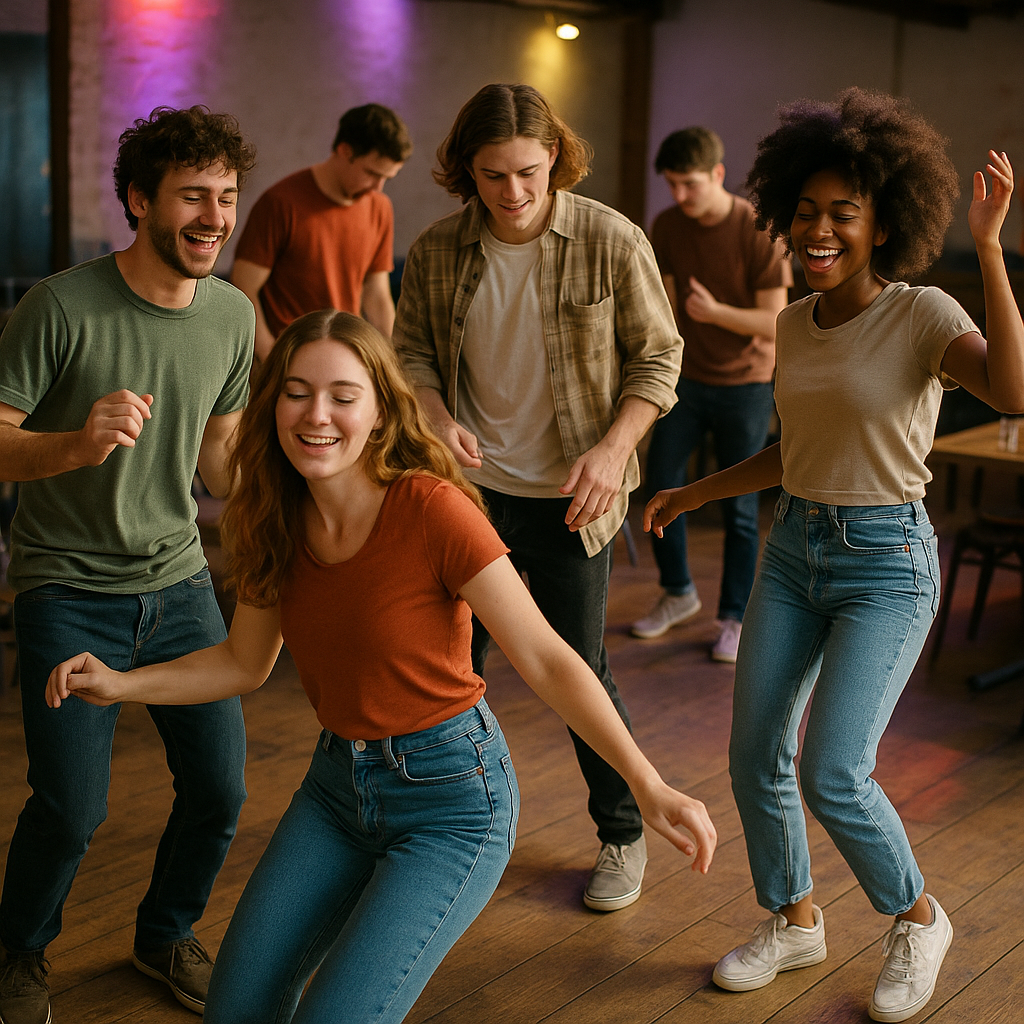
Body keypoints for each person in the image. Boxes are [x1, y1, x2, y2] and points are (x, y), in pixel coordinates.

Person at [45, 309, 717, 1024]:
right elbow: (243, 664)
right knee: (235, 1011)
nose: (316, 414)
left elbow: (550, 659)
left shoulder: (432, 510)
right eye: (297, 392)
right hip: (337, 789)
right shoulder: (272, 517)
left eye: (343, 394)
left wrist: (647, 786)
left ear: (379, 410)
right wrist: (121, 684)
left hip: (453, 802)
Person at [645, 88, 1024, 1022]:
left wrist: (987, 247)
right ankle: (795, 918)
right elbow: (795, 450)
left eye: (841, 214)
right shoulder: (793, 323)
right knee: (753, 756)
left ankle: (918, 915)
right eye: (804, 212)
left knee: (832, 770)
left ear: (882, 222)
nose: (818, 231)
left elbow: (1013, 390)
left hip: (887, 564)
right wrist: (693, 491)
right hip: (794, 549)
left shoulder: (924, 313)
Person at [393, 83, 683, 913]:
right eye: (491, 176)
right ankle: (445, 833)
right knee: (450, 669)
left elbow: (658, 361)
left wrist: (613, 447)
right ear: (466, 173)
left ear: (554, 154)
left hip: (570, 498)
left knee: (576, 668)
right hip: (467, 496)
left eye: (527, 171)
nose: (512, 194)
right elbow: (408, 350)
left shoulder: (610, 239)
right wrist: (437, 416)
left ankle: (622, 835)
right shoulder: (440, 249)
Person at [0, 106, 257, 1024]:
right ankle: (19, 953)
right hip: (67, 589)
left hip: (181, 582)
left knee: (221, 788)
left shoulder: (232, 313)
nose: (216, 216)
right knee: (71, 808)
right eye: (194, 195)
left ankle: (164, 933)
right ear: (141, 200)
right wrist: (76, 445)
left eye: (227, 197)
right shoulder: (61, 306)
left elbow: (220, 462)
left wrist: (308, 472)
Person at [631, 127, 792, 663]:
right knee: (660, 485)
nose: (680, 196)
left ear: (719, 175)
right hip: (685, 380)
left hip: (745, 384)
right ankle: (677, 592)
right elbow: (669, 309)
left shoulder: (757, 230)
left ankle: (733, 618)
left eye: (691, 184)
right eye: (672, 185)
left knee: (739, 508)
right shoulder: (667, 225)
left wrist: (716, 313)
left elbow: (777, 322)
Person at [232, 103, 411, 360]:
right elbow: (244, 287)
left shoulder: (380, 207)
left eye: (387, 178)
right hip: (288, 355)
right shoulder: (281, 202)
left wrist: (395, 361)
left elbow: (377, 292)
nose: (378, 187)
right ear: (344, 151)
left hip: (344, 354)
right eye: (372, 173)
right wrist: (269, 354)